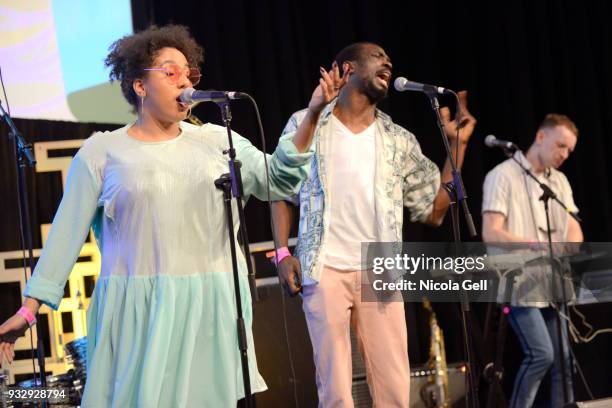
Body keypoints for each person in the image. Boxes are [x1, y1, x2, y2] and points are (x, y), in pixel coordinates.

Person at [0, 25, 315, 407]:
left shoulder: (217, 141)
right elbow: (64, 239)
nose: (185, 80)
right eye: (171, 72)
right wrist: (28, 310)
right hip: (138, 312)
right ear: (139, 86)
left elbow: (278, 180)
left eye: (189, 72)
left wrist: (311, 116)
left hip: (209, 306)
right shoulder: (102, 152)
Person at [271, 42, 476, 407]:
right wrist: (283, 252)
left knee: (394, 391)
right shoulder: (309, 122)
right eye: (377, 56)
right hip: (325, 267)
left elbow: (434, 208)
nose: (388, 62)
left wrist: (456, 146)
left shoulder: (398, 139)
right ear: (345, 69)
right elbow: (280, 190)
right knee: (335, 392)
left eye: (388, 59)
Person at [481, 114, 583, 408]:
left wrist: (571, 246)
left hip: (552, 280)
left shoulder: (559, 181)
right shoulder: (502, 175)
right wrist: (537, 247)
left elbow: (573, 223)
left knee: (564, 359)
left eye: (569, 150)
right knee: (542, 354)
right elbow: (491, 232)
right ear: (541, 137)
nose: (564, 155)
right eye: (560, 146)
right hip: (518, 281)